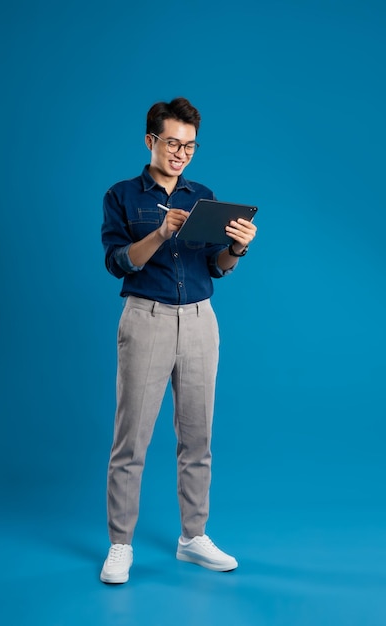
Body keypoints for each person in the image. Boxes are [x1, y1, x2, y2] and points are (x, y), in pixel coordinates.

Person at [100, 97, 257, 584]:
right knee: (132, 442)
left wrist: (236, 247)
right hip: (145, 319)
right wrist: (161, 234)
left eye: (189, 145)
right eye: (172, 142)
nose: (180, 153)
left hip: (199, 321)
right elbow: (118, 262)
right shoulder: (123, 196)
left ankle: (193, 537)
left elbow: (215, 267)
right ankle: (120, 545)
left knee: (197, 438)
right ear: (151, 140)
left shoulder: (201, 195)